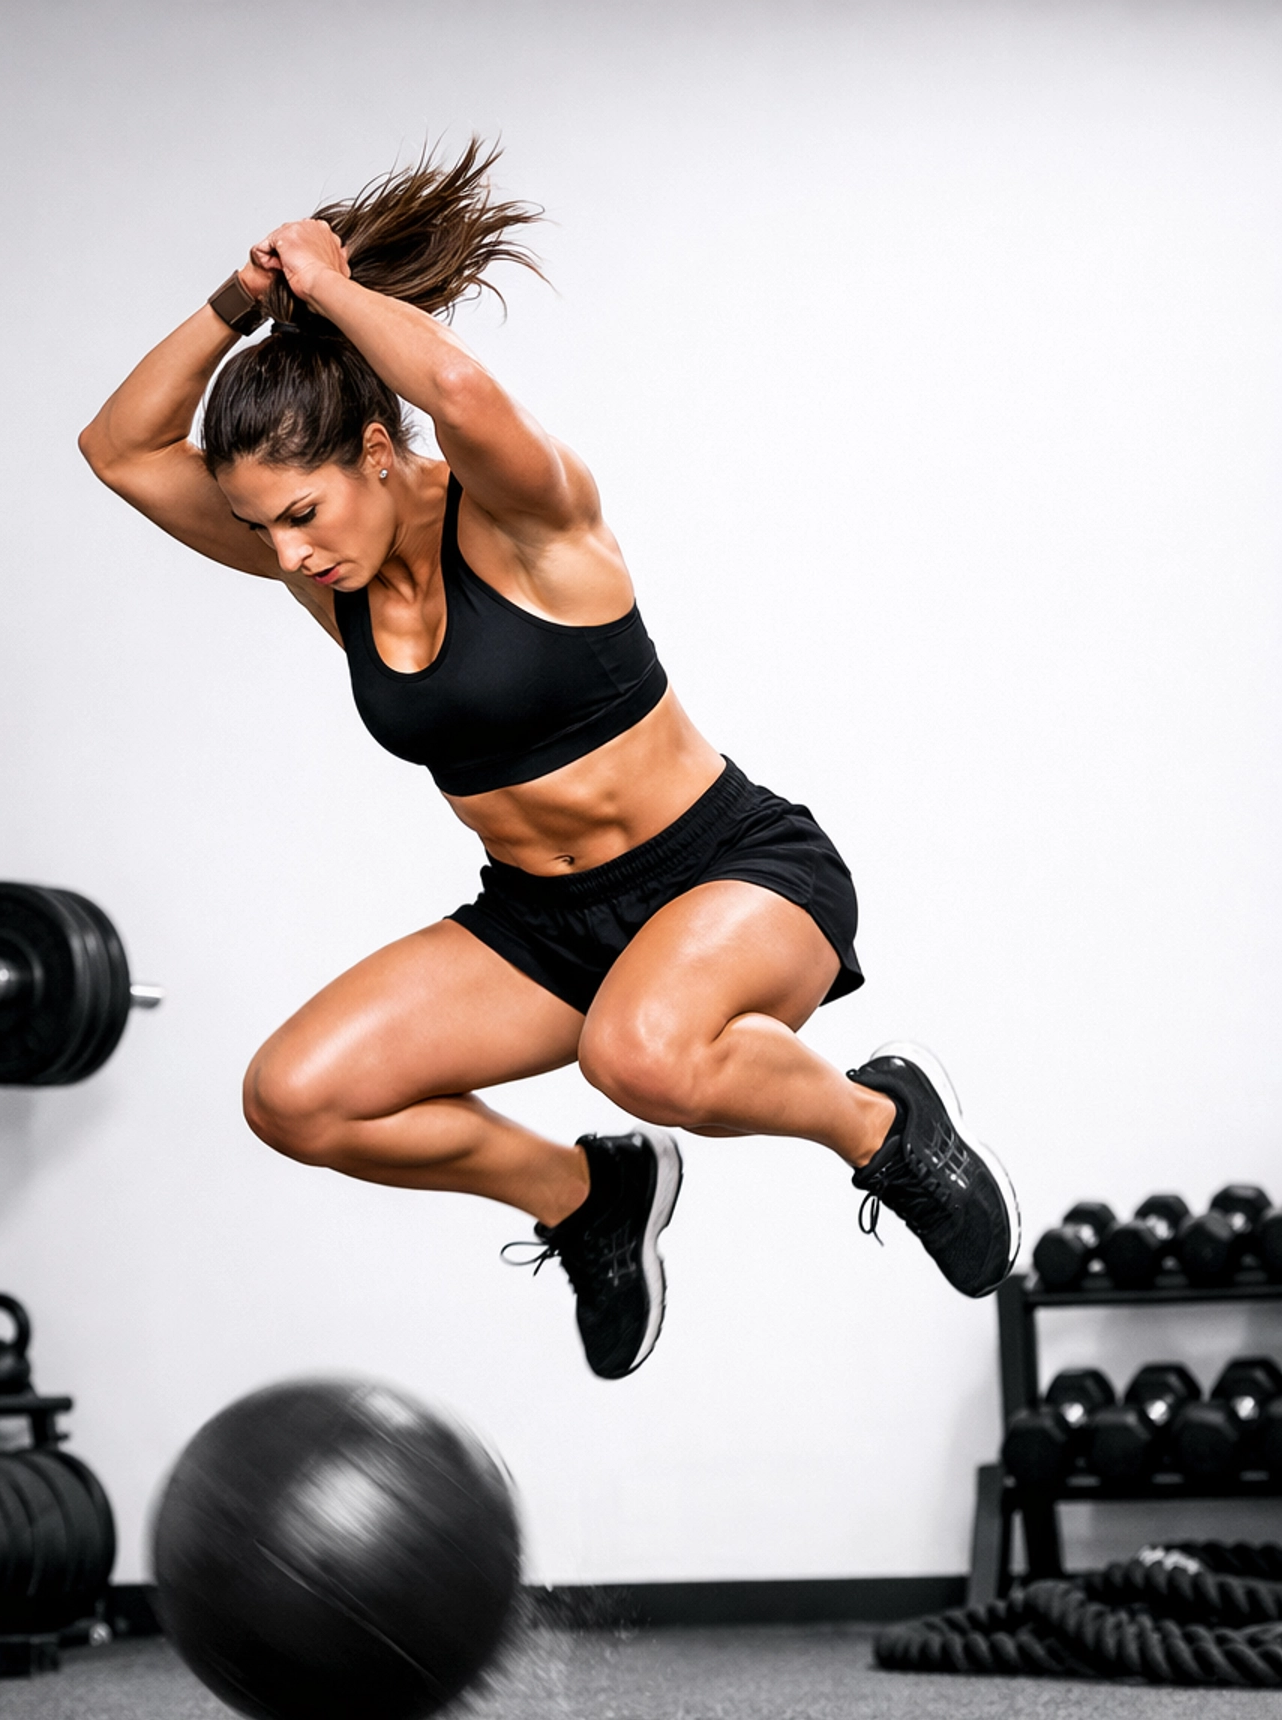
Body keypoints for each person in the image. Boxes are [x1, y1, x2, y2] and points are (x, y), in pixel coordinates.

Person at [80, 142, 1018, 1381]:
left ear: (373, 449)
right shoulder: (334, 579)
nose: (287, 554)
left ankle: (885, 1125)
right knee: (296, 1098)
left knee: (639, 1056)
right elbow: (121, 450)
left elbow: (461, 395)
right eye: (263, 528)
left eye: (301, 513)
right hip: (546, 922)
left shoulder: (529, 519)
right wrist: (237, 304)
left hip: (732, 874)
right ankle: (586, 1198)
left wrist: (333, 283)